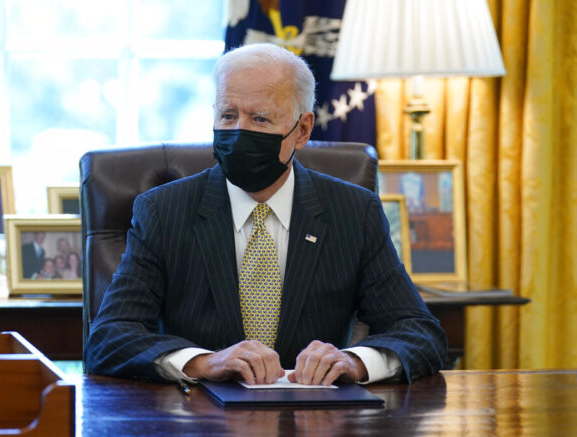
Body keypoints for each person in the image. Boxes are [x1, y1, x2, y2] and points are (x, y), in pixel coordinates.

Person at [85, 43, 446, 387]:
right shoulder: (163, 211)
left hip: (317, 419)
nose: (239, 131)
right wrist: (204, 363)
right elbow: (109, 338)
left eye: (259, 119)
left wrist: (353, 362)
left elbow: (418, 333)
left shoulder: (353, 212)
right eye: (228, 115)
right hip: (199, 418)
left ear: (301, 130)